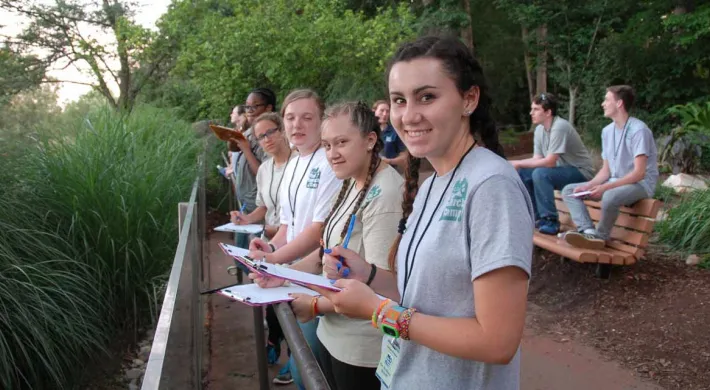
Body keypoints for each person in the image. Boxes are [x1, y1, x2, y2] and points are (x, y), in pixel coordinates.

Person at [309, 36, 534, 390]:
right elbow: (418, 292)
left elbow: (498, 341)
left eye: (427, 97)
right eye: (399, 100)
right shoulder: (431, 185)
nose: (409, 115)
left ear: (469, 99)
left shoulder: (492, 186)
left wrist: (378, 312)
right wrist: (365, 273)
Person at [252, 101, 404, 390]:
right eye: (327, 145)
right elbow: (325, 252)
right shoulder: (351, 181)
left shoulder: (385, 194)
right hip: (334, 336)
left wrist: (314, 304)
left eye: (342, 143)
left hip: (362, 349)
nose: (332, 154)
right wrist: (282, 274)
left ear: (370, 140)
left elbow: (378, 286)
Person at [247, 89, 342, 388]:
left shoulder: (328, 163)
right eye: (290, 118)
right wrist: (271, 247)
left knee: (310, 369)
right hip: (291, 276)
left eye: (306, 117)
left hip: (315, 279)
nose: (296, 125)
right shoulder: (294, 164)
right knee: (303, 365)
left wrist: (273, 262)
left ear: (321, 121)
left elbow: (317, 231)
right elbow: (287, 224)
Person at [561, 85, 658, 249]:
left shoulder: (639, 130)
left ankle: (600, 237)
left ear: (619, 103)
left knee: (610, 196)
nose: (603, 104)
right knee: (570, 191)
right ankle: (588, 231)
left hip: (640, 185)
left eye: (606, 99)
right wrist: (588, 185)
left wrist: (605, 187)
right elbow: (606, 170)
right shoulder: (607, 131)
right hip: (614, 183)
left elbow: (639, 173)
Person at [510, 93, 595, 235]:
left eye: (536, 109)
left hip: (581, 172)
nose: (531, 113)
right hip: (562, 171)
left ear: (548, 112)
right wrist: (515, 164)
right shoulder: (539, 130)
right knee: (524, 174)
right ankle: (536, 218)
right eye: (532, 109)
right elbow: (537, 159)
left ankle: (550, 220)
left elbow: (549, 162)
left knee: (540, 173)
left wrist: (517, 162)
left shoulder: (559, 127)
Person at [230, 113, 295, 240]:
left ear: (282, 130)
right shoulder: (264, 169)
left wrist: (278, 230)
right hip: (269, 240)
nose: (267, 139)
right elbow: (264, 206)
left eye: (270, 132)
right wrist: (247, 218)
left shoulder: (300, 162)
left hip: (294, 241)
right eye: (261, 137)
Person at [373, 100, 408, 171]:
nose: (385, 114)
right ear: (374, 111)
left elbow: (404, 157)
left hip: (390, 172)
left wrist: (388, 161)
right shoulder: (367, 131)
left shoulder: (395, 132)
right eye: (382, 110)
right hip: (370, 174)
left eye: (387, 111)